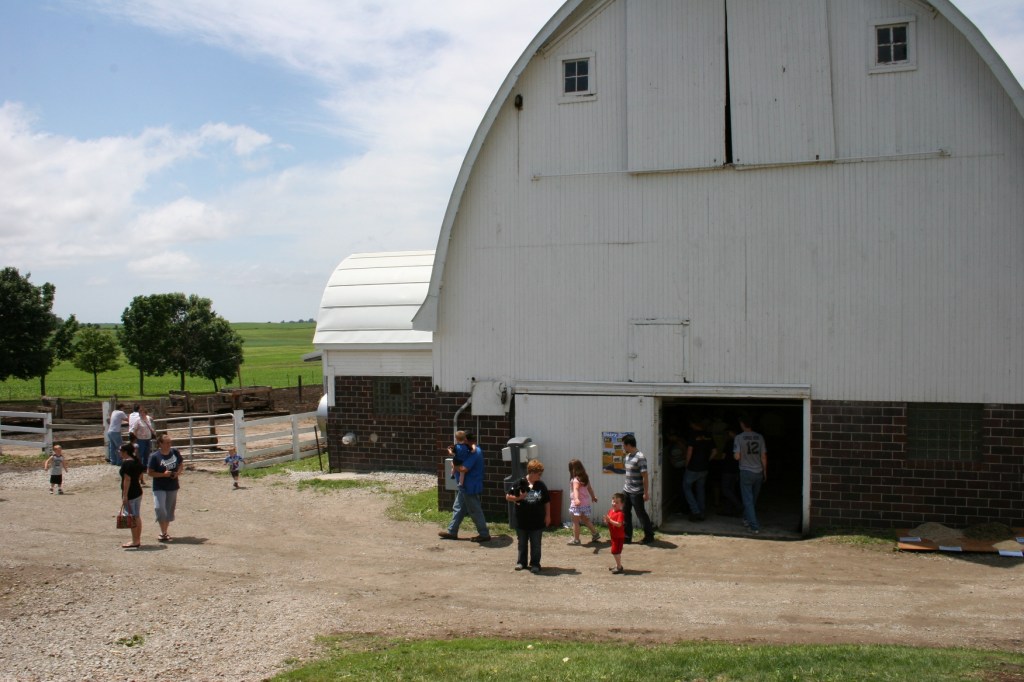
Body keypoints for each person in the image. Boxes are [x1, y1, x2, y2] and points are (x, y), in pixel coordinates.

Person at [438, 432, 491, 542]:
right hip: (464, 486)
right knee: (458, 507)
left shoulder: (475, 453)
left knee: (475, 510)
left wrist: (454, 465)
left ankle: (484, 534)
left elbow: (463, 469)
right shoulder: (469, 450)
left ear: (467, 440)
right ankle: (452, 531)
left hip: (470, 486)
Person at [505, 458, 550, 573]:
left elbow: (547, 501)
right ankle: (521, 562)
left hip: (537, 520)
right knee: (522, 543)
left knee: (536, 544)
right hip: (522, 520)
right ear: (532, 472)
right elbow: (508, 496)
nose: (540, 476)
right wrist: (519, 497)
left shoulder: (541, 485)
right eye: (539, 474)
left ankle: (535, 563)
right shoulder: (519, 483)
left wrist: (548, 516)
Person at [734, 417, 768, 534]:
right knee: (753, 499)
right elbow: (763, 456)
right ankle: (746, 519)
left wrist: (737, 454)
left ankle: (754, 526)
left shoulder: (739, 438)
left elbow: (737, 457)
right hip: (758, 471)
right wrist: (765, 472)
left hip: (746, 471)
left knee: (747, 500)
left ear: (743, 424)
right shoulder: (760, 437)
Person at [148, 433, 183, 543]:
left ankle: (163, 532)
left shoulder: (175, 452)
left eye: (170, 442)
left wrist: (178, 473)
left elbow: (181, 464)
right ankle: (163, 531)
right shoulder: (155, 456)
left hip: (172, 485)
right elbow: (150, 472)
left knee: (168, 509)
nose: (169, 444)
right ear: (160, 444)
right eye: (167, 443)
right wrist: (163, 474)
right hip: (159, 486)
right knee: (159, 508)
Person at [620, 435, 654, 544]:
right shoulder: (628, 456)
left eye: (624, 445)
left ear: (628, 445)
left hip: (637, 491)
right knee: (625, 513)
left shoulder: (640, 457)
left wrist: (645, 492)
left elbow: (645, 476)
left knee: (641, 514)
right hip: (627, 490)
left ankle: (649, 536)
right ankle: (627, 536)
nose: (623, 447)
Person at [683, 418, 716, 522]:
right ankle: (701, 512)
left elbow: (689, 451)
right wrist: (707, 460)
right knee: (700, 489)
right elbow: (715, 451)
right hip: (704, 468)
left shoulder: (693, 435)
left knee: (686, 487)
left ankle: (695, 511)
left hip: (693, 467)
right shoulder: (709, 435)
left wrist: (687, 464)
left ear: (693, 424)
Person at [567, 459, 600, 545]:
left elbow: (575, 489)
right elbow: (589, 488)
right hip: (585, 504)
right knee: (585, 519)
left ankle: (576, 540)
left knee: (575, 521)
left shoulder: (575, 480)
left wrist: (577, 499)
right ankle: (595, 534)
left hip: (577, 504)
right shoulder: (585, 478)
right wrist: (593, 497)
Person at [118, 443, 144, 549]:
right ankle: (137, 539)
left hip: (131, 493)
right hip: (138, 491)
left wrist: (125, 496)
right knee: (136, 516)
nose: (119, 453)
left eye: (120, 451)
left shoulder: (127, 464)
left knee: (131, 517)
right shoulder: (136, 461)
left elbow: (127, 480)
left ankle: (135, 541)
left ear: (125, 452)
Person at [604, 492, 627, 574]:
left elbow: (619, 524)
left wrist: (610, 520)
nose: (614, 503)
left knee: (615, 551)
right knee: (616, 552)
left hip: (618, 536)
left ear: (621, 504)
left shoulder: (620, 513)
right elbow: (608, 522)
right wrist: (607, 521)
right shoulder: (610, 511)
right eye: (613, 501)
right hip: (614, 536)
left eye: (617, 502)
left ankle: (619, 567)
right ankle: (618, 565)